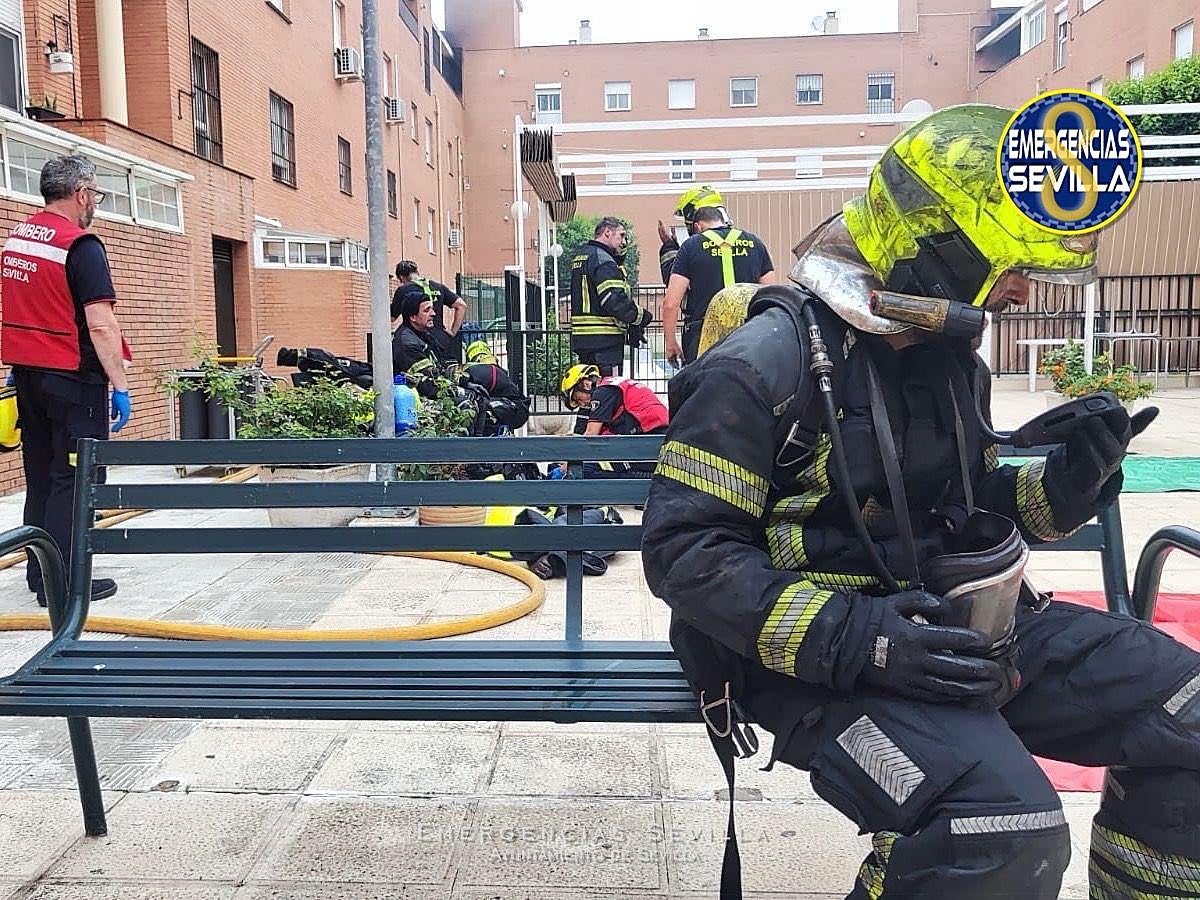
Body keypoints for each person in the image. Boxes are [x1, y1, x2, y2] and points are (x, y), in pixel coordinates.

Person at [641, 105, 1198, 898]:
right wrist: (863, 639)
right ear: (931, 246)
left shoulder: (946, 361)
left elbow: (972, 505)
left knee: (1192, 717)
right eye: (1005, 262)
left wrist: (1068, 485)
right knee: (997, 828)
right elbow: (684, 554)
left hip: (953, 634)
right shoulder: (765, 363)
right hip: (809, 663)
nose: (1018, 287)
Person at [2, 155, 132, 606]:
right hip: (73, 383)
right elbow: (100, 323)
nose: (93, 202)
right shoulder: (82, 246)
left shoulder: (19, 239)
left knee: (40, 476)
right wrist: (119, 384)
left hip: (28, 380)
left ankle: (40, 574)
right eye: (94, 194)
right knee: (74, 481)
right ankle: (65, 586)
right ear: (80, 194)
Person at [660, 188, 774, 366]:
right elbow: (770, 295)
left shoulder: (691, 246)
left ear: (697, 225)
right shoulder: (755, 243)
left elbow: (670, 303)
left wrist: (670, 343)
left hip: (703, 337)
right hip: (749, 335)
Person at [568, 217, 653, 376]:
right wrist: (641, 317)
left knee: (590, 388)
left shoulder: (581, 257)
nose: (624, 242)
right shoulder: (604, 261)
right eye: (621, 235)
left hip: (584, 341)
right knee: (609, 391)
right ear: (607, 232)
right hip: (606, 343)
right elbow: (614, 301)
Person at [559, 363, 667, 478]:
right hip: (656, 442)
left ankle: (642, 482)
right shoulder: (613, 386)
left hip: (649, 446)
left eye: (579, 399)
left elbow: (590, 436)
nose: (582, 404)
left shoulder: (602, 393)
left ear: (585, 384)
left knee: (587, 470)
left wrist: (572, 462)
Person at [391, 260, 466, 366]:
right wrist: (452, 332)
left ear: (402, 277)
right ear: (417, 272)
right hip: (441, 340)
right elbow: (461, 305)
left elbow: (392, 318)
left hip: (416, 341)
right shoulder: (438, 286)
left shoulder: (403, 289)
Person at [460, 340, 530, 431]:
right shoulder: (499, 371)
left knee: (481, 405)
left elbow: (461, 379)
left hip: (514, 409)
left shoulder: (475, 370)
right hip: (516, 409)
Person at [391, 293, 442, 397]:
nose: (433, 314)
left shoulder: (423, 335)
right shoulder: (407, 343)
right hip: (419, 399)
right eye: (427, 310)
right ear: (413, 317)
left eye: (432, 309)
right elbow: (428, 382)